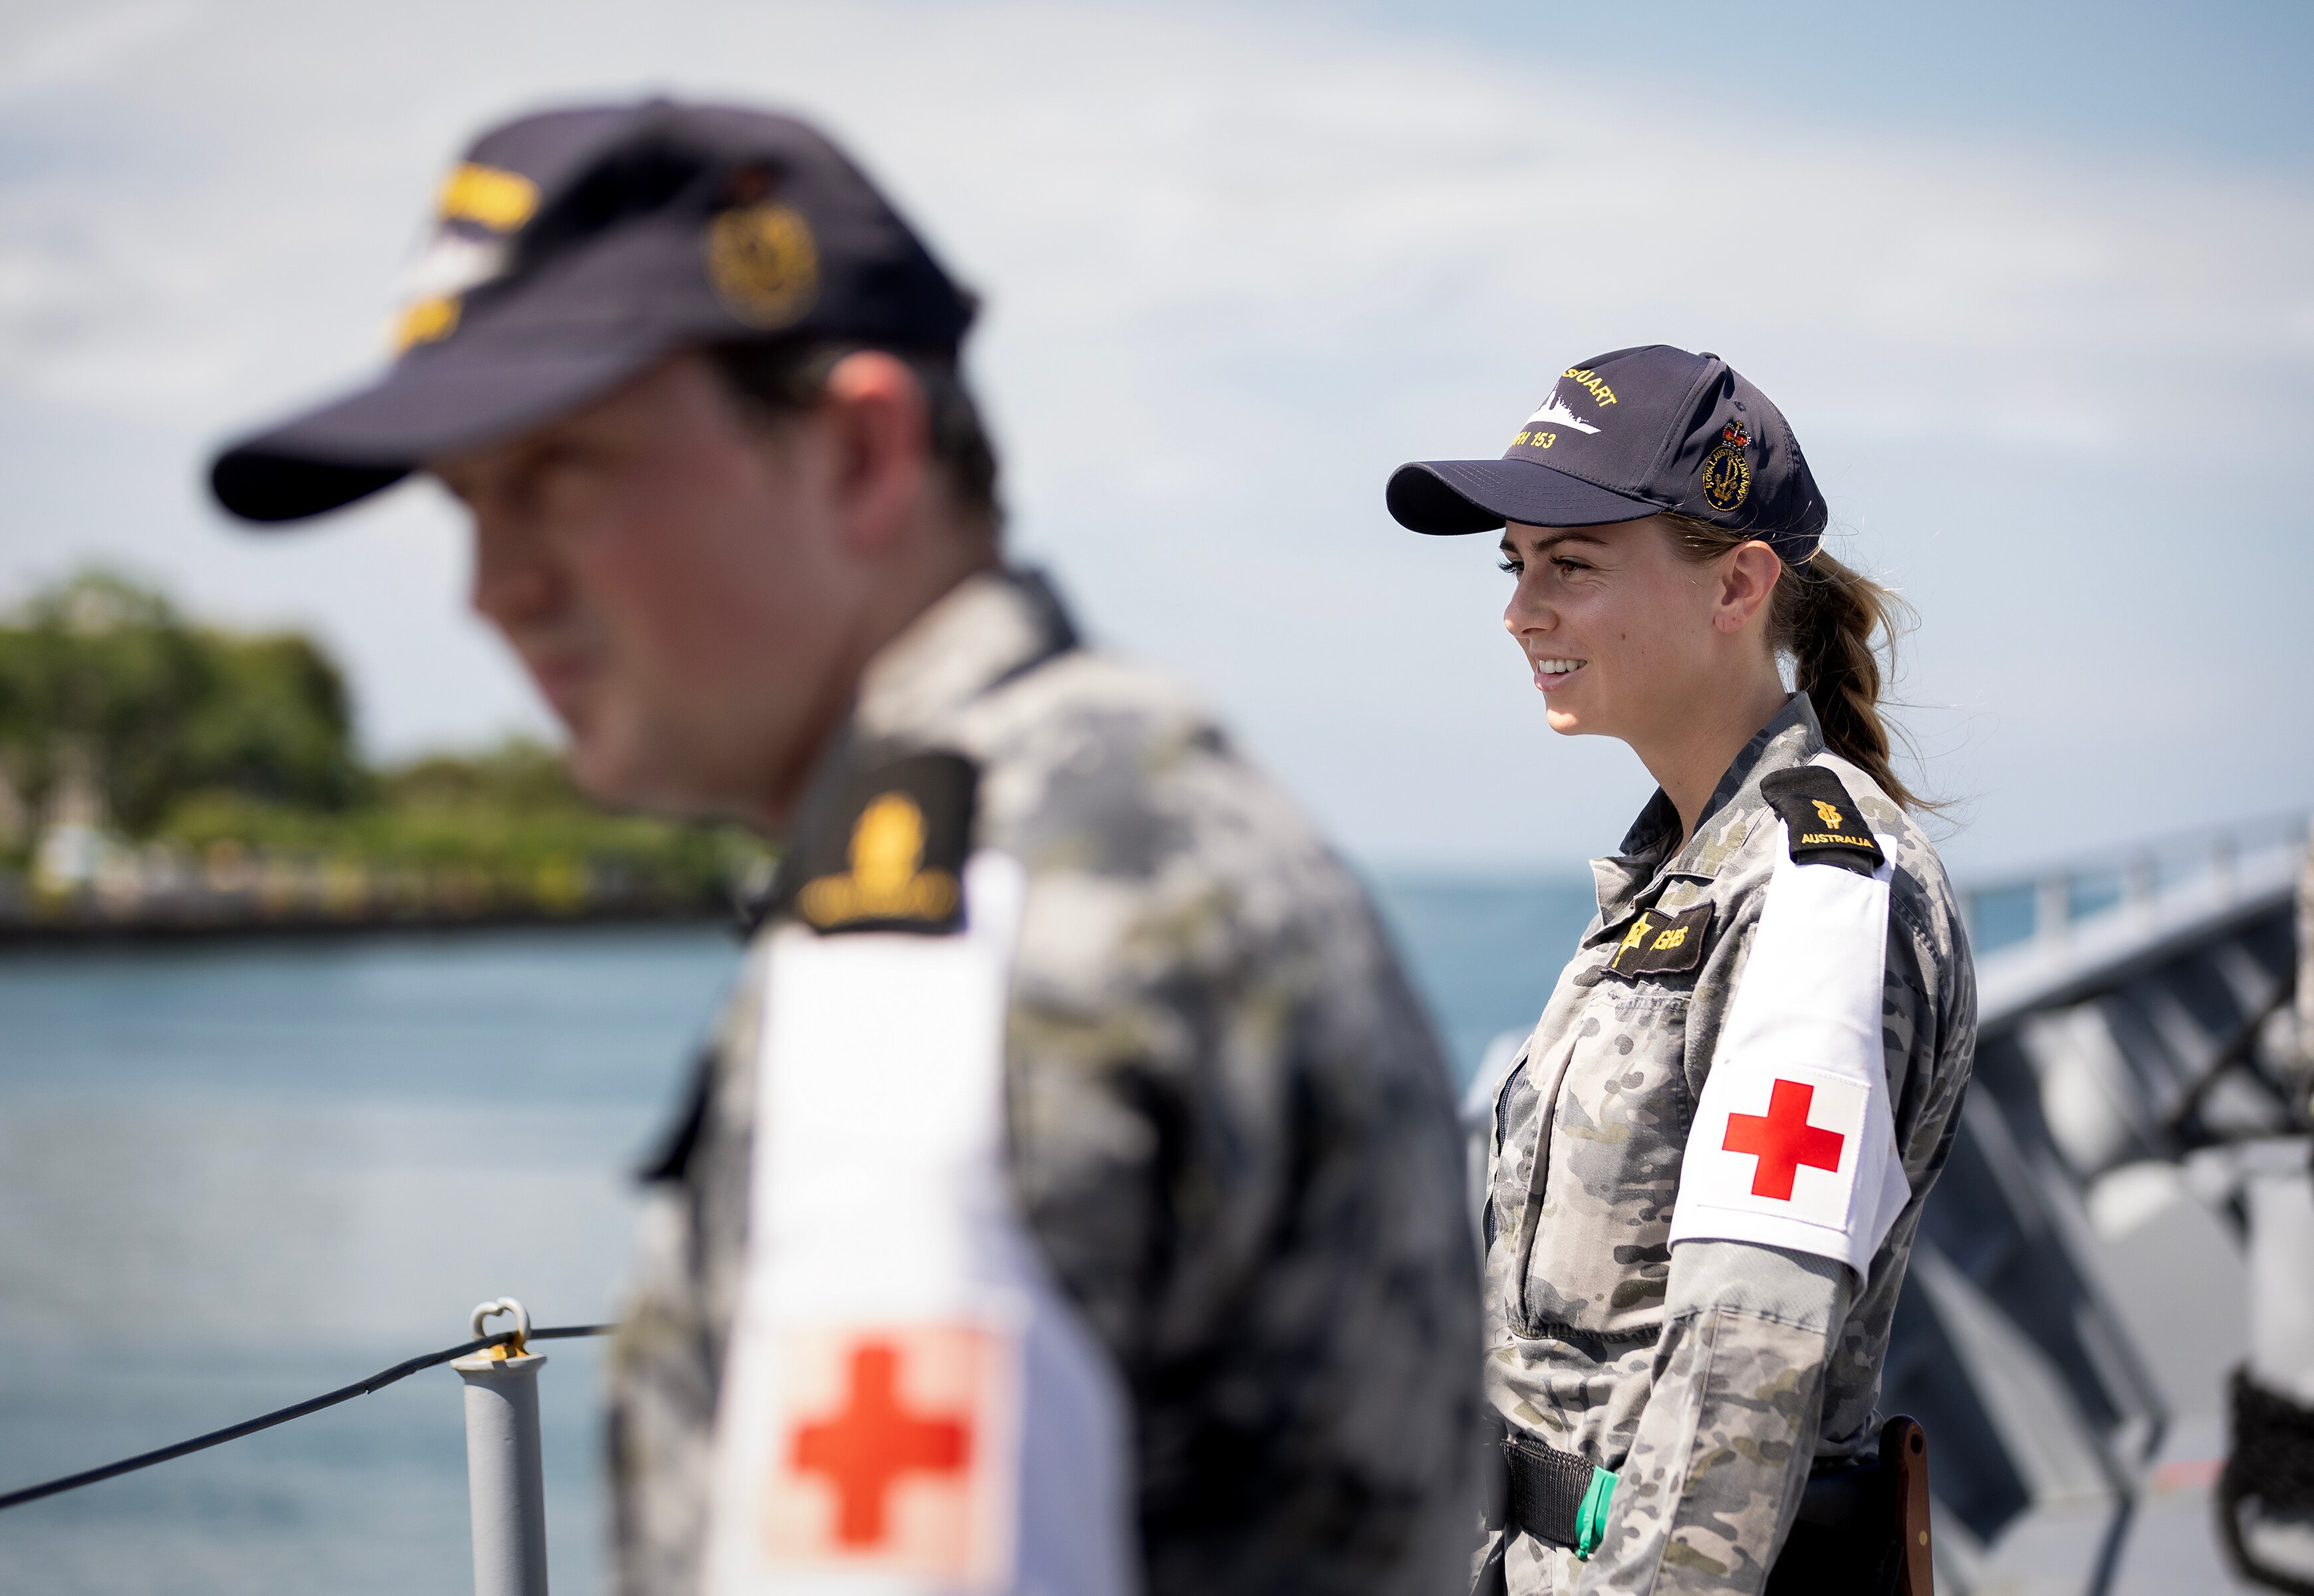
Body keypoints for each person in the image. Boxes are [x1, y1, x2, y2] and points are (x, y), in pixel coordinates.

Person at [208, 101, 1478, 1596]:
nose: (491, 590)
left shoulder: (943, 948)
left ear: (862, 454)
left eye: (557, 476)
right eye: (466, 506)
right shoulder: (1121, 804)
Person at [1384, 345, 1976, 1594]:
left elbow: (1741, 1380)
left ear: (1737, 586)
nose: (1520, 610)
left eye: (1573, 565)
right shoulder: (1689, 870)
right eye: (1517, 563)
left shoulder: (1816, 892)